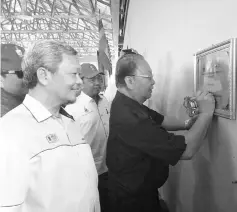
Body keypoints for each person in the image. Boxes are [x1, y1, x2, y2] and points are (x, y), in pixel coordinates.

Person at [106, 50, 215, 212]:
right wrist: (206, 114)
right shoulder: (131, 118)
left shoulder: (128, 104)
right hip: (132, 201)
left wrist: (187, 123)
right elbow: (187, 150)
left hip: (136, 190)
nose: (153, 82)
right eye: (148, 77)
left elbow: (161, 120)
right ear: (130, 81)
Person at [0, 40, 100, 212]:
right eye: (73, 74)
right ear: (44, 76)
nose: (80, 82)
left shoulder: (68, 122)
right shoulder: (11, 132)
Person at [66, 63, 110, 212]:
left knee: (106, 202)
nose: (97, 83)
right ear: (80, 80)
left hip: (108, 166)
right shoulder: (72, 106)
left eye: (99, 78)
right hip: (87, 171)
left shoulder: (105, 101)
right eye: (92, 80)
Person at [1, 43, 28, 117]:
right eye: (21, 73)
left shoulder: (25, 99)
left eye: (30, 71)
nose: (28, 76)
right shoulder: (5, 116)